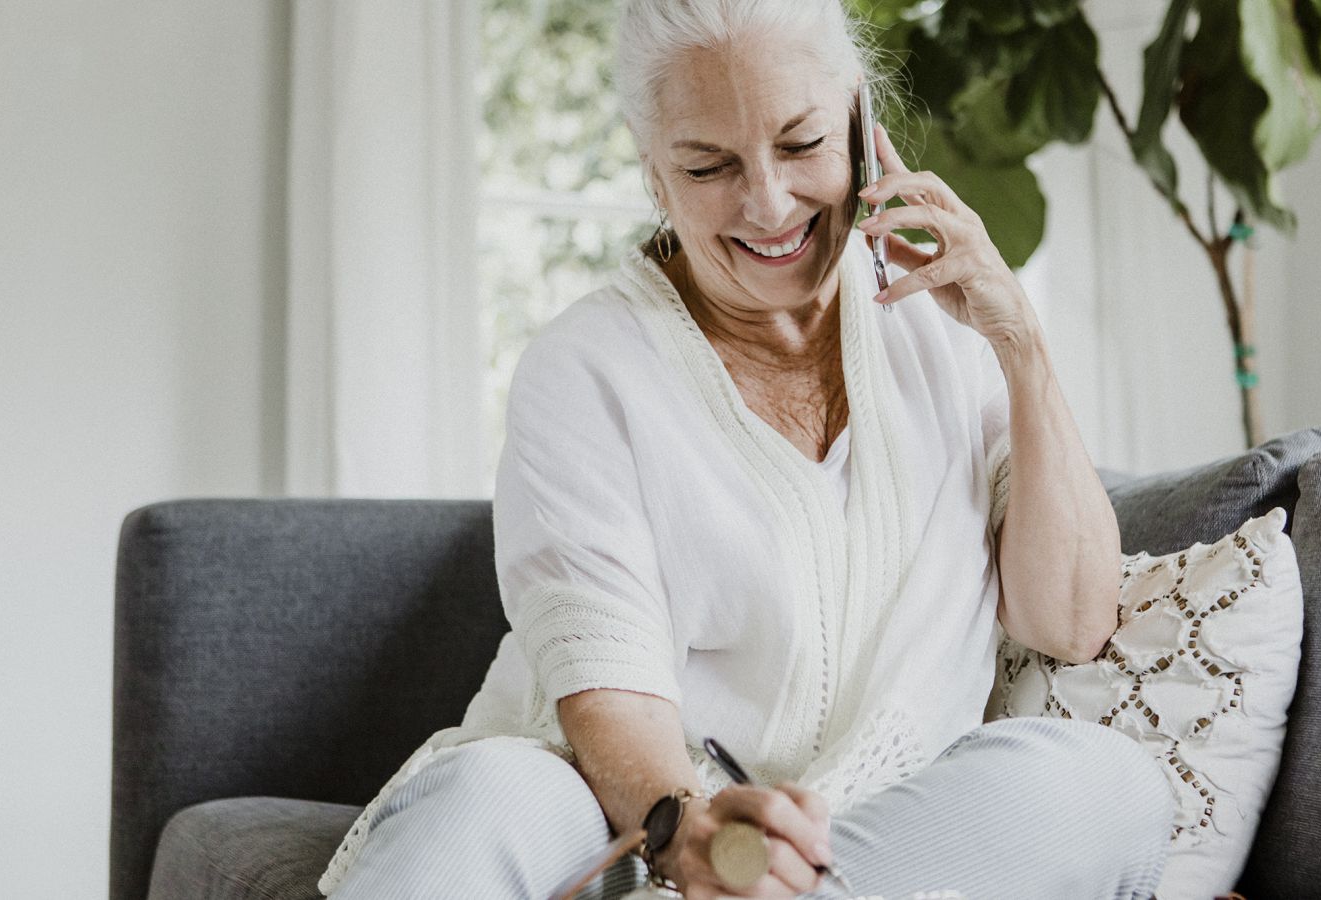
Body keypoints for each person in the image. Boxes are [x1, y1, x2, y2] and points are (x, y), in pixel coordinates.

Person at [315, 1, 1174, 898]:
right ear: (655, 175)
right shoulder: (581, 370)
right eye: (708, 164)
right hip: (623, 820)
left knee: (1101, 780)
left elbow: (1070, 622)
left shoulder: (950, 333)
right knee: (486, 795)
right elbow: (611, 692)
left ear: (860, 124)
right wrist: (689, 833)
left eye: (801, 145)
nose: (767, 202)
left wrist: (1021, 343)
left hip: (878, 836)